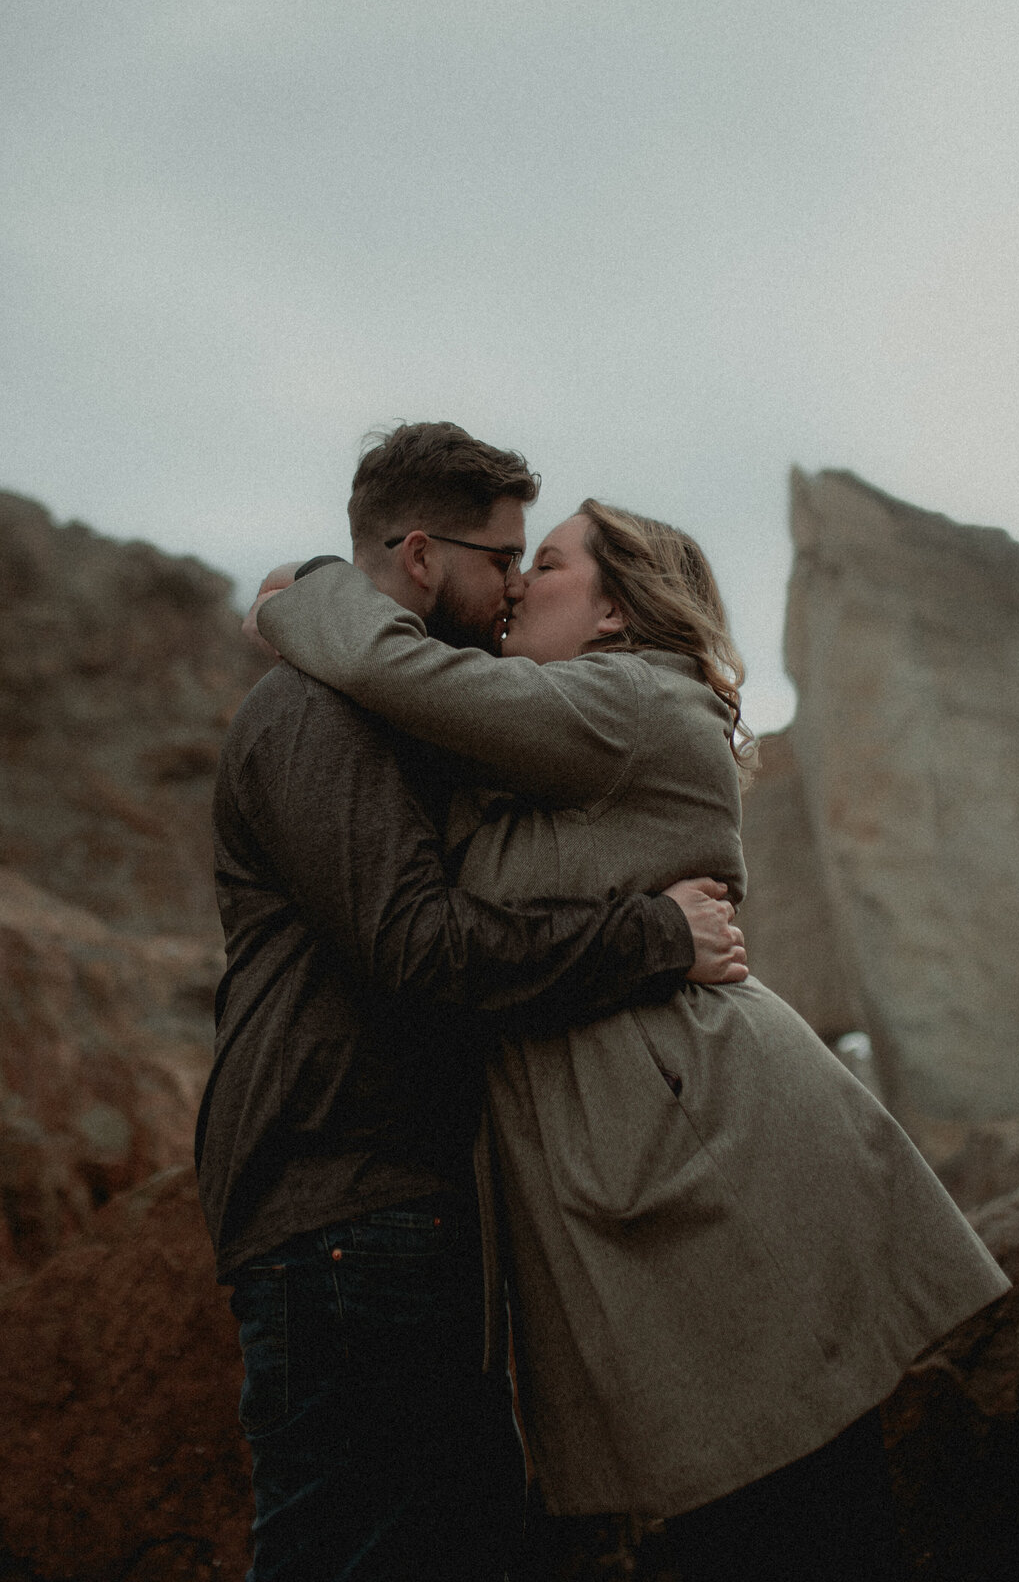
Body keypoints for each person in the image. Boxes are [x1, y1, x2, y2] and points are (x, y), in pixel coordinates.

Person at [256, 487, 1012, 1580]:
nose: (520, 584)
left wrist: (313, 588)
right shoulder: (551, 748)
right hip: (655, 1141)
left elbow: (396, 675)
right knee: (763, 1507)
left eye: (551, 565)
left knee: (789, 1504)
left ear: (616, 614)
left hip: (708, 1146)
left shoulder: (630, 701)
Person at [195, 423, 748, 1582]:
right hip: (342, 1202)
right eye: (502, 559)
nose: (510, 591)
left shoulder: (418, 716)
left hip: (399, 1205)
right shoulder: (324, 712)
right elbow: (418, 950)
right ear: (417, 557)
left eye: (532, 563)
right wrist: (653, 934)